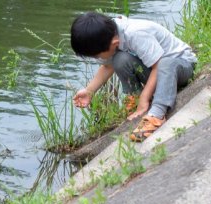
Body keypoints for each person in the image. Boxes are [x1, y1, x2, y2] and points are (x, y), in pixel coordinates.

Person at [70, 11, 196, 142]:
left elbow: (157, 66)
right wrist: (89, 91)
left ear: (114, 43)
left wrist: (145, 98)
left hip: (180, 67)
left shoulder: (136, 33)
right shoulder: (108, 35)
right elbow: (108, 66)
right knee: (119, 59)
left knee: (165, 62)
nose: (97, 59)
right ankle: (135, 99)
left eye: (97, 56)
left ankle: (157, 114)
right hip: (157, 72)